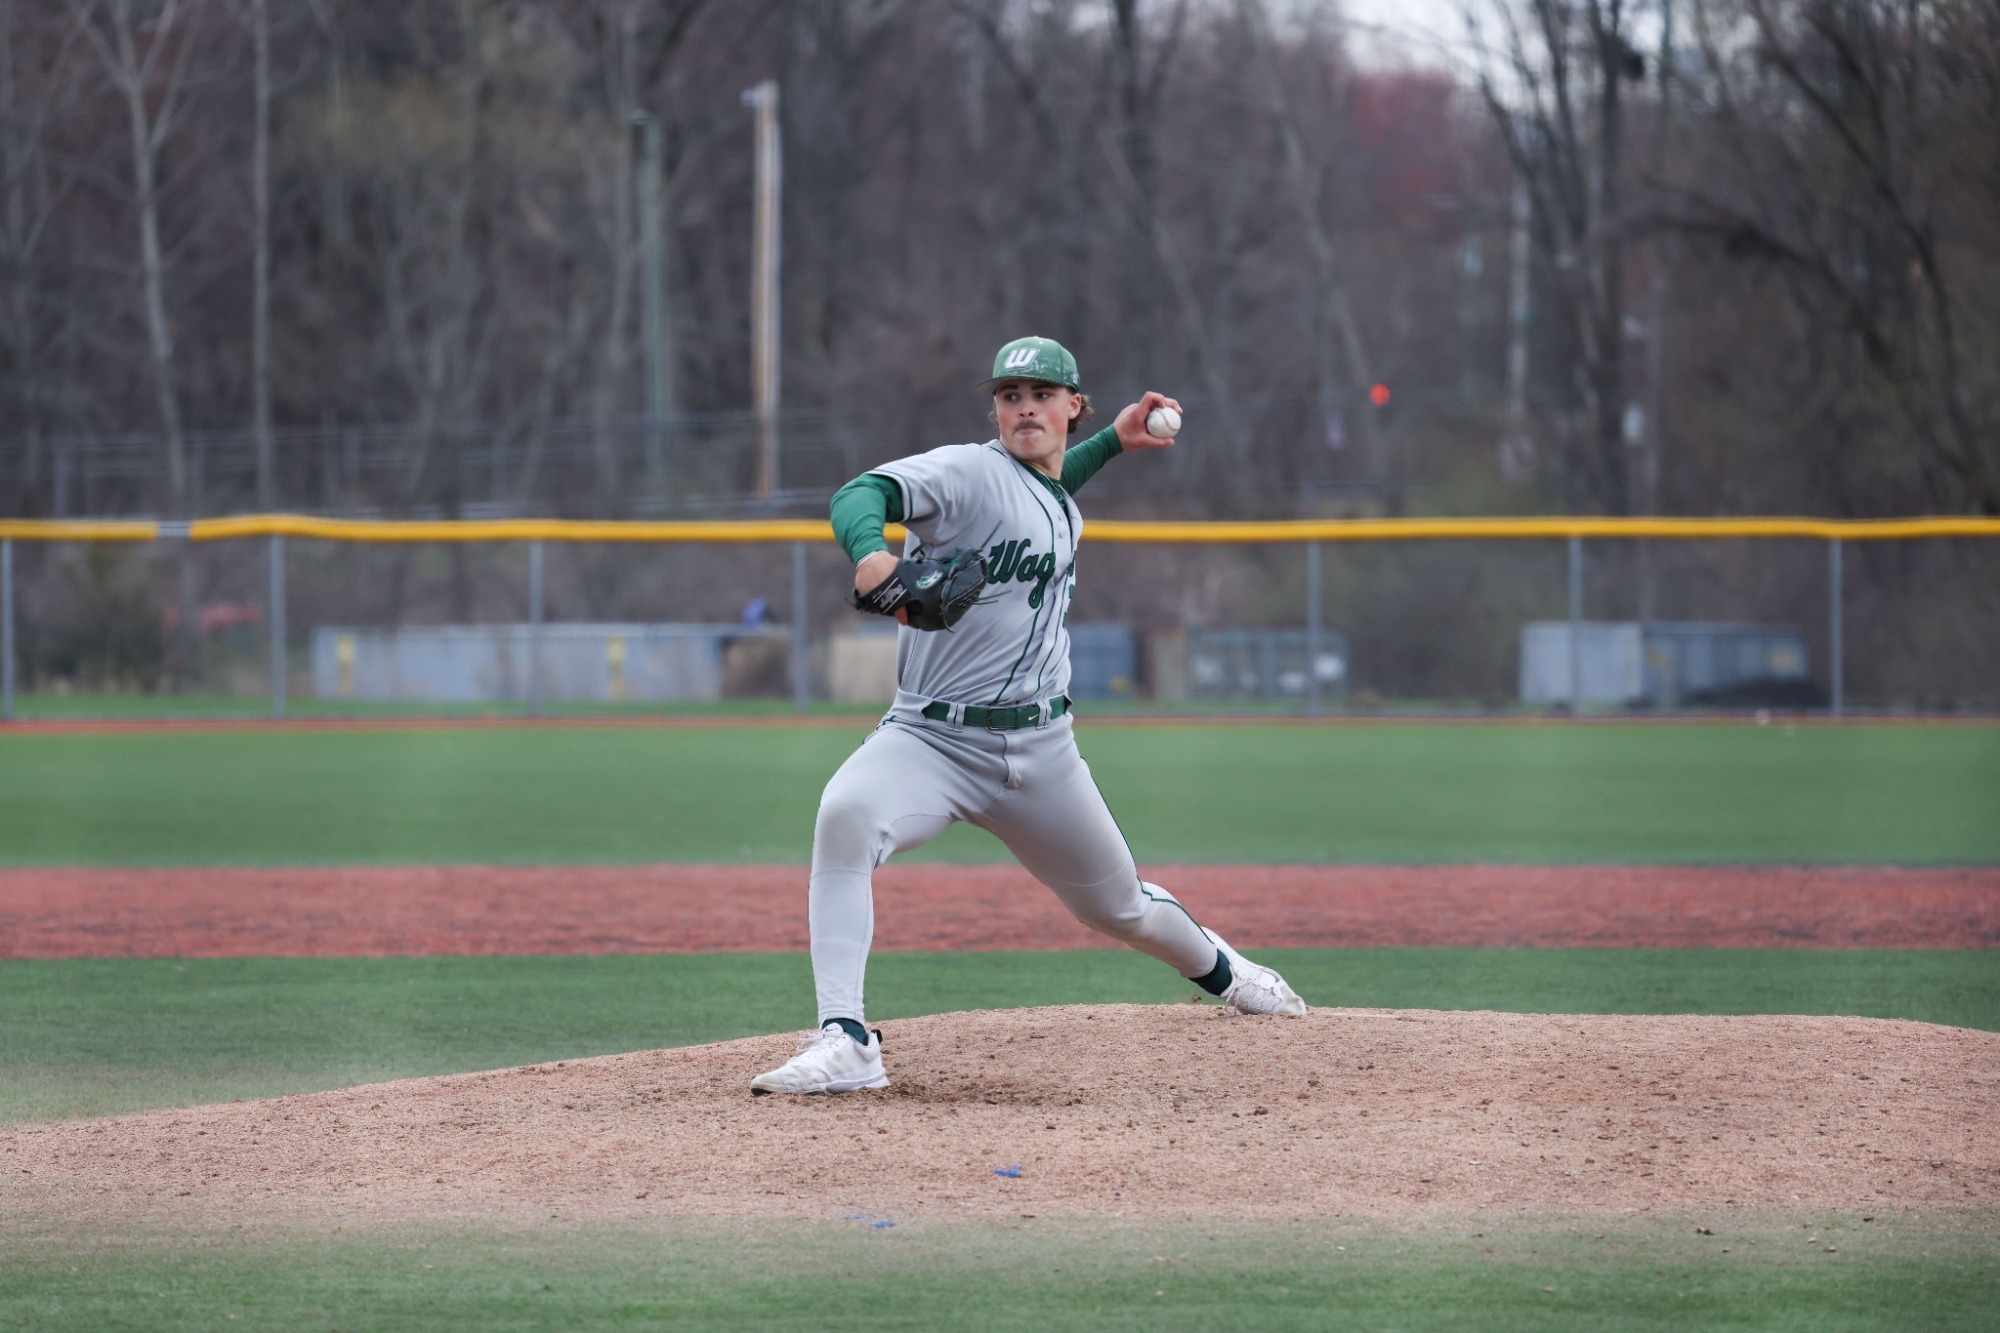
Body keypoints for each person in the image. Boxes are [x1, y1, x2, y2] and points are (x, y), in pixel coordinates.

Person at [751, 337, 1305, 1096]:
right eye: (1010, 396)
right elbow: (860, 492)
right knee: (845, 812)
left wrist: (1113, 442)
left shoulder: (1056, 497)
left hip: (1042, 751)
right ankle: (845, 1037)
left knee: (1121, 907)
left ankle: (1225, 970)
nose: (1024, 409)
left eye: (1042, 394)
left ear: (1073, 406)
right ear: (994, 411)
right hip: (930, 738)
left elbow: (1047, 490)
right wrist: (870, 553)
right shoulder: (967, 471)